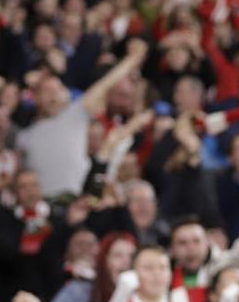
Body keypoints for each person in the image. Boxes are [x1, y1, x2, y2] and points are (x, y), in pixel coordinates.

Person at [15, 39, 148, 198]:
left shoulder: (75, 114)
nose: (53, 96)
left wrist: (131, 60)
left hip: (79, 199)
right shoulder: (23, 136)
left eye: (57, 90)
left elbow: (105, 85)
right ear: (35, 98)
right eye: (47, 91)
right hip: (44, 207)